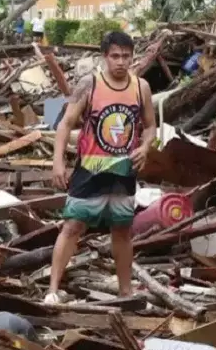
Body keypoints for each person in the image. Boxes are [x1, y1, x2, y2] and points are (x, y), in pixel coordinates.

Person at [47, 30, 156, 304]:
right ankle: (52, 290)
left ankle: (125, 291)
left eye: (126, 56)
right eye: (115, 56)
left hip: (123, 169)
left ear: (133, 57)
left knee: (121, 231)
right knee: (72, 225)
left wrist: (145, 147)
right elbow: (65, 123)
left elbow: (151, 125)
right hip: (90, 167)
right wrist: (58, 161)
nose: (121, 62)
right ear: (104, 57)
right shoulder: (90, 84)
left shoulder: (140, 87)